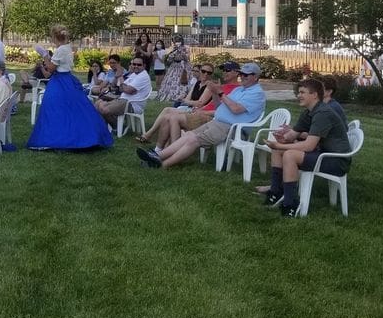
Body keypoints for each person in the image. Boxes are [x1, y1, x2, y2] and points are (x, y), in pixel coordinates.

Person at [137, 62, 265, 169]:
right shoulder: (239, 90)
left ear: (255, 77)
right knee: (189, 135)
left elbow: (236, 109)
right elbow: (218, 107)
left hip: (231, 128)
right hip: (217, 122)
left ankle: (162, 164)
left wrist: (220, 93)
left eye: (245, 75)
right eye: (241, 74)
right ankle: (157, 156)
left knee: (193, 140)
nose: (242, 76)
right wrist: (215, 93)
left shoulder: (257, 94)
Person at [262, 78, 352, 218]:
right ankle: (276, 191)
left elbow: (309, 146)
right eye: (298, 92)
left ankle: (290, 204)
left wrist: (281, 144)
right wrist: (283, 138)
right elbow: (292, 135)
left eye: (302, 92)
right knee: (279, 150)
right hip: (322, 154)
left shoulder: (323, 113)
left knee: (289, 154)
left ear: (315, 95)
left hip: (336, 160)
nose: (298, 95)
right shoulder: (308, 112)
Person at [28, 25, 114, 150]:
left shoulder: (61, 49)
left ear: (55, 37)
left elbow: (51, 69)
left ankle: (57, 138)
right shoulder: (67, 47)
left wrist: (45, 56)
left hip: (60, 82)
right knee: (72, 109)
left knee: (54, 109)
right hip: (66, 80)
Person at [94, 54, 152, 130]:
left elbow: (127, 90)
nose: (136, 66)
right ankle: (108, 126)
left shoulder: (143, 76)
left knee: (104, 109)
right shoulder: (134, 74)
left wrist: (121, 78)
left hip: (132, 104)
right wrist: (125, 87)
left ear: (144, 66)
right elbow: (121, 89)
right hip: (123, 99)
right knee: (98, 104)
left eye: (139, 64)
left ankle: (117, 127)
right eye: (134, 64)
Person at [156, 36, 191, 102]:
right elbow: (169, 60)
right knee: (170, 80)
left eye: (178, 40)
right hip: (174, 66)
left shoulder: (186, 48)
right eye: (175, 41)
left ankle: (183, 95)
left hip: (183, 67)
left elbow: (187, 58)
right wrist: (173, 52)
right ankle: (169, 95)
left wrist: (181, 52)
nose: (177, 42)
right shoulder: (172, 49)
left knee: (183, 81)